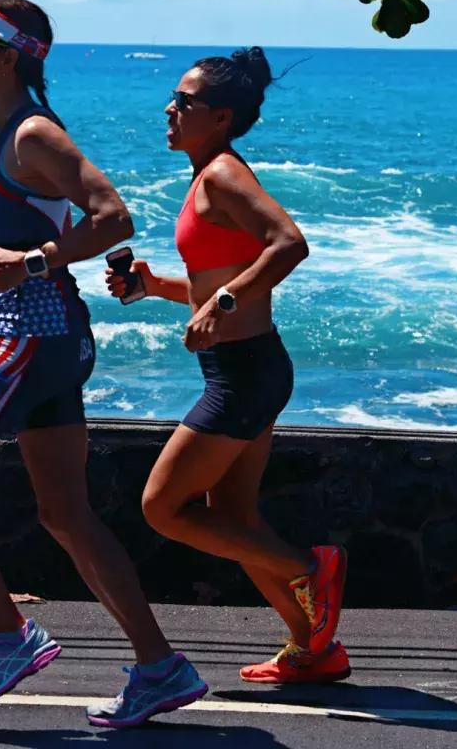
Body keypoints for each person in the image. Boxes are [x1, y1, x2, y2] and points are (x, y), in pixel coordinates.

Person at [0, 0, 206, 726]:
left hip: (33, 341)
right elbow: (36, 240)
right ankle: (160, 667)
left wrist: (27, 263)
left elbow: (114, 217)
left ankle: (9, 635)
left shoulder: (32, 133)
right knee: (66, 514)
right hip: (46, 338)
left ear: (8, 58)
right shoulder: (11, 131)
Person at [106, 46, 350, 686]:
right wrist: (154, 286)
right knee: (236, 521)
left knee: (163, 507)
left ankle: (311, 569)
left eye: (183, 102)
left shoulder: (221, 174)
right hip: (246, 369)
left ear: (219, 117)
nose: (170, 109)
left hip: (244, 375)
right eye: (173, 98)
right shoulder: (205, 177)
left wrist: (223, 301)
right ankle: (314, 649)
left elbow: (289, 243)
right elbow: (218, 280)